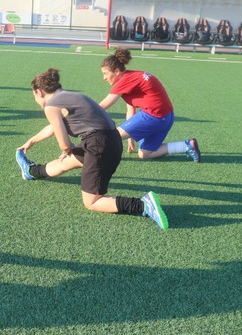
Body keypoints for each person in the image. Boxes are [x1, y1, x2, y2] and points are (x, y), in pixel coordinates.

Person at [16, 68, 168, 229]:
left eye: (34, 95)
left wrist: (66, 149)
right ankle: (31, 171)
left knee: (92, 202)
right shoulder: (68, 96)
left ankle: (143, 205)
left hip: (99, 146)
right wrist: (32, 140)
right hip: (110, 140)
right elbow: (54, 127)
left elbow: (65, 144)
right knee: (67, 162)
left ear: (39, 92)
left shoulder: (51, 106)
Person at [97, 48, 201, 163]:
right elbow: (130, 109)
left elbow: (103, 105)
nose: (104, 78)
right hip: (166, 117)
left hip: (154, 117)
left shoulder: (124, 81)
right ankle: (186, 146)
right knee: (145, 153)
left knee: (112, 137)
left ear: (116, 71)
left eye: (105, 74)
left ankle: (86, 154)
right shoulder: (131, 76)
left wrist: (80, 112)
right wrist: (129, 137)